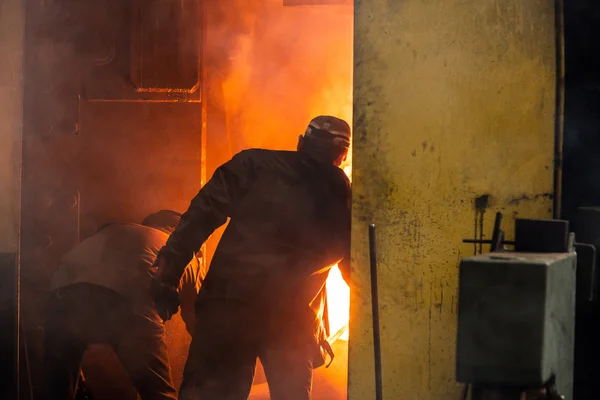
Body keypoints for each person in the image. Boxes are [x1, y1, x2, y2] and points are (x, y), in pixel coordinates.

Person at [151, 116, 352, 400]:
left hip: (229, 308)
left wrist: (168, 276)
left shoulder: (254, 165)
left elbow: (201, 215)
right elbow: (358, 271)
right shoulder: (348, 200)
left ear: (301, 143)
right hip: (290, 322)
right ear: (343, 156)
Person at [44, 210, 203, 400]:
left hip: (60, 296)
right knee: (157, 392)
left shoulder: (119, 232)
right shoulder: (181, 248)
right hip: (125, 301)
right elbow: (197, 316)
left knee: (60, 390)